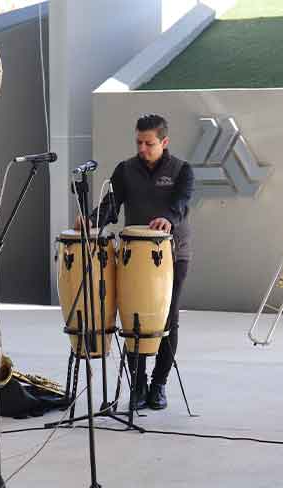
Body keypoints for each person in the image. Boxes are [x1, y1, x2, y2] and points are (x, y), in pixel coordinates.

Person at [81, 113, 194, 410]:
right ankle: (138, 385)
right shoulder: (125, 170)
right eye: (139, 143)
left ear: (164, 142)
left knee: (167, 320)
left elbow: (182, 203)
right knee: (134, 319)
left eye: (149, 143)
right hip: (133, 257)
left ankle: (159, 385)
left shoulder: (182, 170)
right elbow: (111, 205)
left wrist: (167, 218)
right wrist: (92, 220)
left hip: (173, 255)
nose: (142, 148)